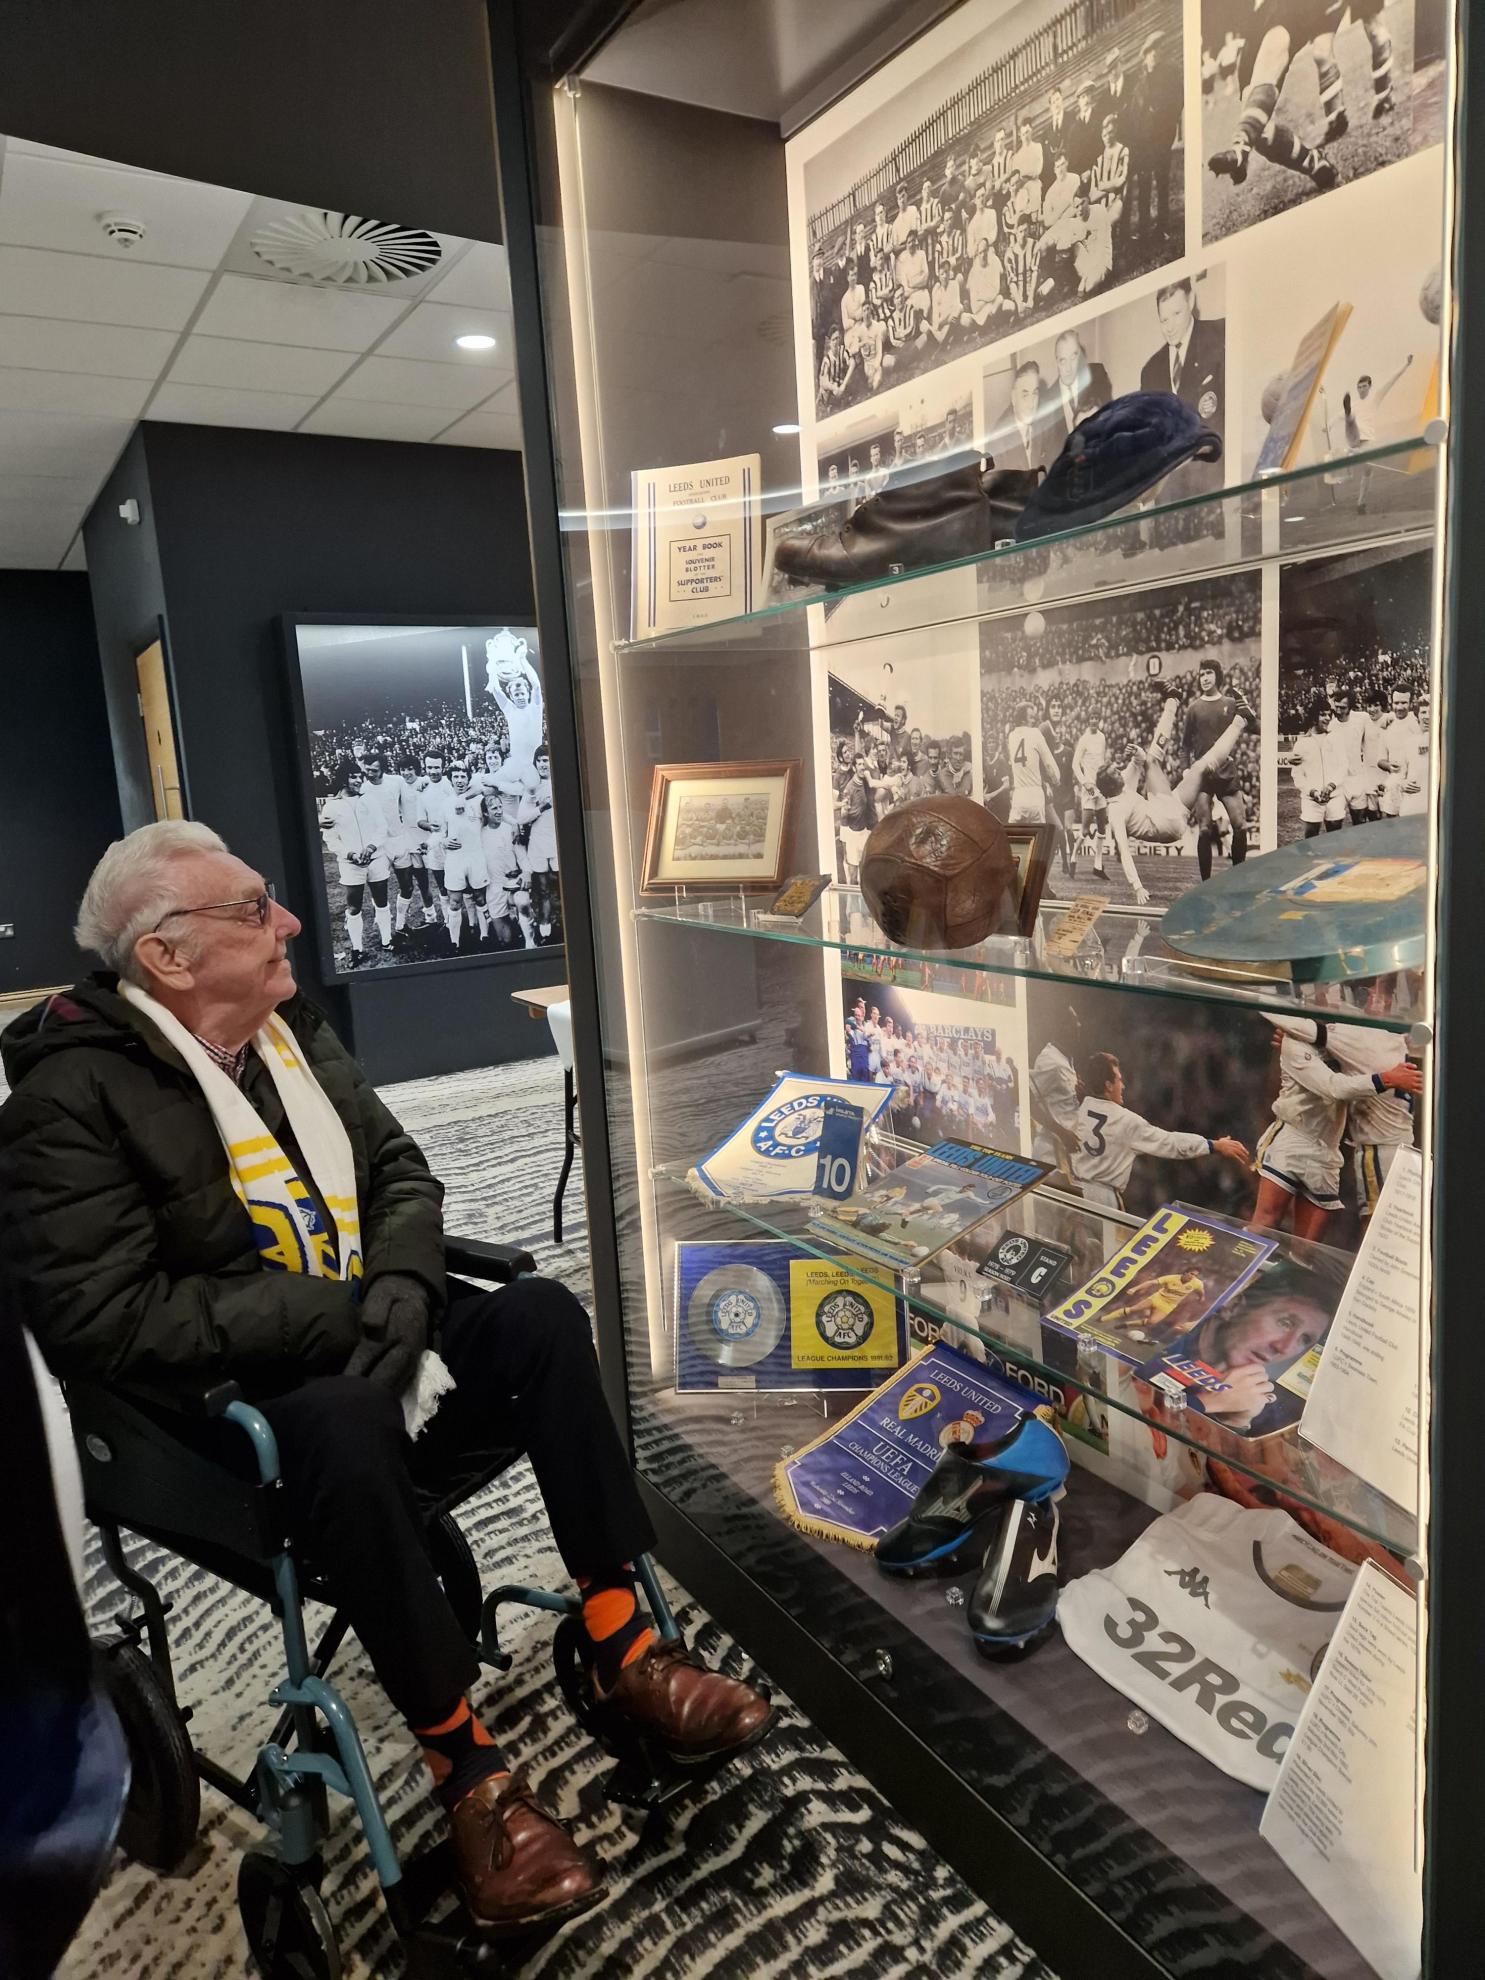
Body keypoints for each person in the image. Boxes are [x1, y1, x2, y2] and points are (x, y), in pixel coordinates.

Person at [0, 822, 774, 1935]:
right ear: (166, 955)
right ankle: (467, 1774)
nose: (291, 922)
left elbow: (400, 1170)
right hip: (219, 1417)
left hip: (367, 1323)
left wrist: (404, 1286)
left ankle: (622, 1643)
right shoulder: (67, 1100)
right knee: (344, 1411)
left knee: (542, 1315)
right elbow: (104, 1319)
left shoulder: (288, 1030)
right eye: (254, 907)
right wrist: (339, 1312)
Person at [1252, 1016, 1421, 1239]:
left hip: (1328, 1153)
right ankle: (1228, 1271)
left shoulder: (1345, 1040)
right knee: (1264, 1224)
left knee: (1306, 1251)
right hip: (1294, 1137)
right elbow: (1334, 1088)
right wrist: (1386, 1079)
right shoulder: (1296, 1041)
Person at [1099, 686, 1257, 906]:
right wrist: (1137, 887)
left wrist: (1135, 751)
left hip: (1164, 806)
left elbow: (1140, 760)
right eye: (1115, 773)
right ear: (1110, 784)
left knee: (1199, 766)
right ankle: (1232, 718)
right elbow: (1124, 852)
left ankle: (1232, 716)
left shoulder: (1122, 785)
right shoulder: (1115, 811)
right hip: (1166, 824)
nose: (1119, 771)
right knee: (1165, 763)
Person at [1071, 1051, 1248, 1209]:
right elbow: (1170, 1143)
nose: (1123, 1086)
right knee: (1109, 1247)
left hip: (1075, 1190)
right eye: (1119, 1079)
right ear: (1108, 1085)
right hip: (1104, 1198)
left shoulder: (1079, 1108)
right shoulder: (1126, 1120)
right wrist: (1212, 1145)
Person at [1139, 278, 1225, 492]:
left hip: (1212, 483)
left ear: (1191, 300)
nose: (1170, 327)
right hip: (1169, 493)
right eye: (1163, 320)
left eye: (1177, 314)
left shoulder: (1220, 335)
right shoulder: (1150, 370)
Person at [319, 758, 393, 966]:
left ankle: (387, 940)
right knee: (353, 907)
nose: (359, 780)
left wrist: (370, 848)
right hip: (351, 864)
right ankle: (357, 949)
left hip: (375, 859)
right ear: (343, 779)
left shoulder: (369, 800)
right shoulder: (331, 807)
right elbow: (331, 839)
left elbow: (381, 828)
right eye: (353, 776)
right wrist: (351, 854)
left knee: (382, 902)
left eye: (359, 776)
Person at [1182, 660, 1252, 881]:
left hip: (1226, 771)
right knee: (1204, 829)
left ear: (1217, 676)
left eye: (1209, 673)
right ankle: (1206, 883)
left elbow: (1251, 723)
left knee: (1240, 826)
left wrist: (1245, 705)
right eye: (1201, 674)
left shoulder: (1230, 703)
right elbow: (1185, 745)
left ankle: (1238, 876)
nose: (1204, 677)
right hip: (1202, 775)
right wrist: (1186, 770)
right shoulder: (1193, 708)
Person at [1129, 31, 1182, 246]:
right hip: (1143, 142)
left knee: (1161, 182)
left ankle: (1162, 227)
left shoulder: (1168, 76)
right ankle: (1143, 230)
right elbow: (1134, 112)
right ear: (1144, 57)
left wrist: (1165, 121)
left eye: (1156, 51)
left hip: (1161, 138)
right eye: (1149, 53)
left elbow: (1176, 103)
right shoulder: (1140, 83)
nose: (1153, 56)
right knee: (1143, 185)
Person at [1038, 329, 1113, 466]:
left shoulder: (1097, 375)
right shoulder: (1047, 401)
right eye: (1062, 360)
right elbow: (1049, 454)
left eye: (1073, 358)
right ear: (1056, 361)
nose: (1068, 368)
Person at [1290, 696, 1348, 835]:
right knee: (1311, 836)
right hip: (1311, 798)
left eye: (1329, 714)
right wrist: (1312, 792)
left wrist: (1331, 786)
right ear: (1313, 717)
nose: (1327, 718)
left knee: (1334, 837)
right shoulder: (1302, 743)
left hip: (1334, 795)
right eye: (1323, 714)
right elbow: (1297, 775)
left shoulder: (1336, 738)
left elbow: (1343, 765)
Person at [1006, 698, 1061, 826]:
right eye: (1031, 717)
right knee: (1038, 840)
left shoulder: (1011, 736)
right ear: (1023, 720)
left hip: (1018, 796)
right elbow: (1048, 764)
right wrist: (1056, 779)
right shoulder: (1035, 733)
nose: (1034, 720)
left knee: (1014, 840)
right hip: (1035, 795)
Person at [995, 362, 1045, 473]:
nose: (1031, 404)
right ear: (1013, 398)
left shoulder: (1041, 426)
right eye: (1025, 395)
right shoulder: (999, 441)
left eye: (1035, 394)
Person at [966, 236, 1011, 329]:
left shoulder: (994, 260)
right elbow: (974, 305)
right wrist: (987, 298)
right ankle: (990, 323)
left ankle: (992, 320)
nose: (983, 255)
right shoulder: (974, 271)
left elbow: (997, 289)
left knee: (1006, 303)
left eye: (985, 251)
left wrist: (984, 297)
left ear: (988, 250)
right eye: (980, 253)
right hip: (981, 309)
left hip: (995, 302)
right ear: (977, 254)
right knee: (968, 320)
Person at [818, 323, 855, 408]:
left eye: (837, 338)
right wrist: (833, 387)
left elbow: (852, 363)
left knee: (846, 389)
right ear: (829, 342)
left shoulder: (842, 350)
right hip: (830, 387)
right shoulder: (827, 359)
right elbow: (823, 381)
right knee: (831, 394)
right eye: (833, 339)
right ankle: (831, 404)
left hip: (840, 383)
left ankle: (843, 400)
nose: (836, 342)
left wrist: (844, 384)